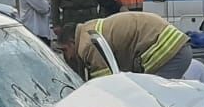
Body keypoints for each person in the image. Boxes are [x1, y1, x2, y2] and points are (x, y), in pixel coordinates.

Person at [57, 11, 192, 80]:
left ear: (72, 42)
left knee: (152, 101)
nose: (65, 56)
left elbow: (105, 84)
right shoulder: (89, 30)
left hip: (169, 52)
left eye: (65, 50)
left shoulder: (88, 45)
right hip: (175, 47)